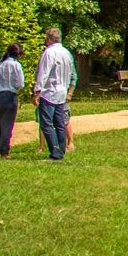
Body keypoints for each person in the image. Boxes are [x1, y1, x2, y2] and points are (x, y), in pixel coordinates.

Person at [34, 26, 76, 161]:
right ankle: (61, 149)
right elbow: (71, 72)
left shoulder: (49, 52)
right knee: (59, 123)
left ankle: (55, 151)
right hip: (62, 92)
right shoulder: (66, 52)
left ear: (48, 40)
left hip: (49, 92)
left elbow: (43, 73)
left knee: (46, 123)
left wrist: (37, 91)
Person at [0, 43, 26, 157]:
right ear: (19, 54)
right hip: (10, 95)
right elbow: (20, 83)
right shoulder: (16, 65)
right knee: (7, 124)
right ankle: (4, 150)